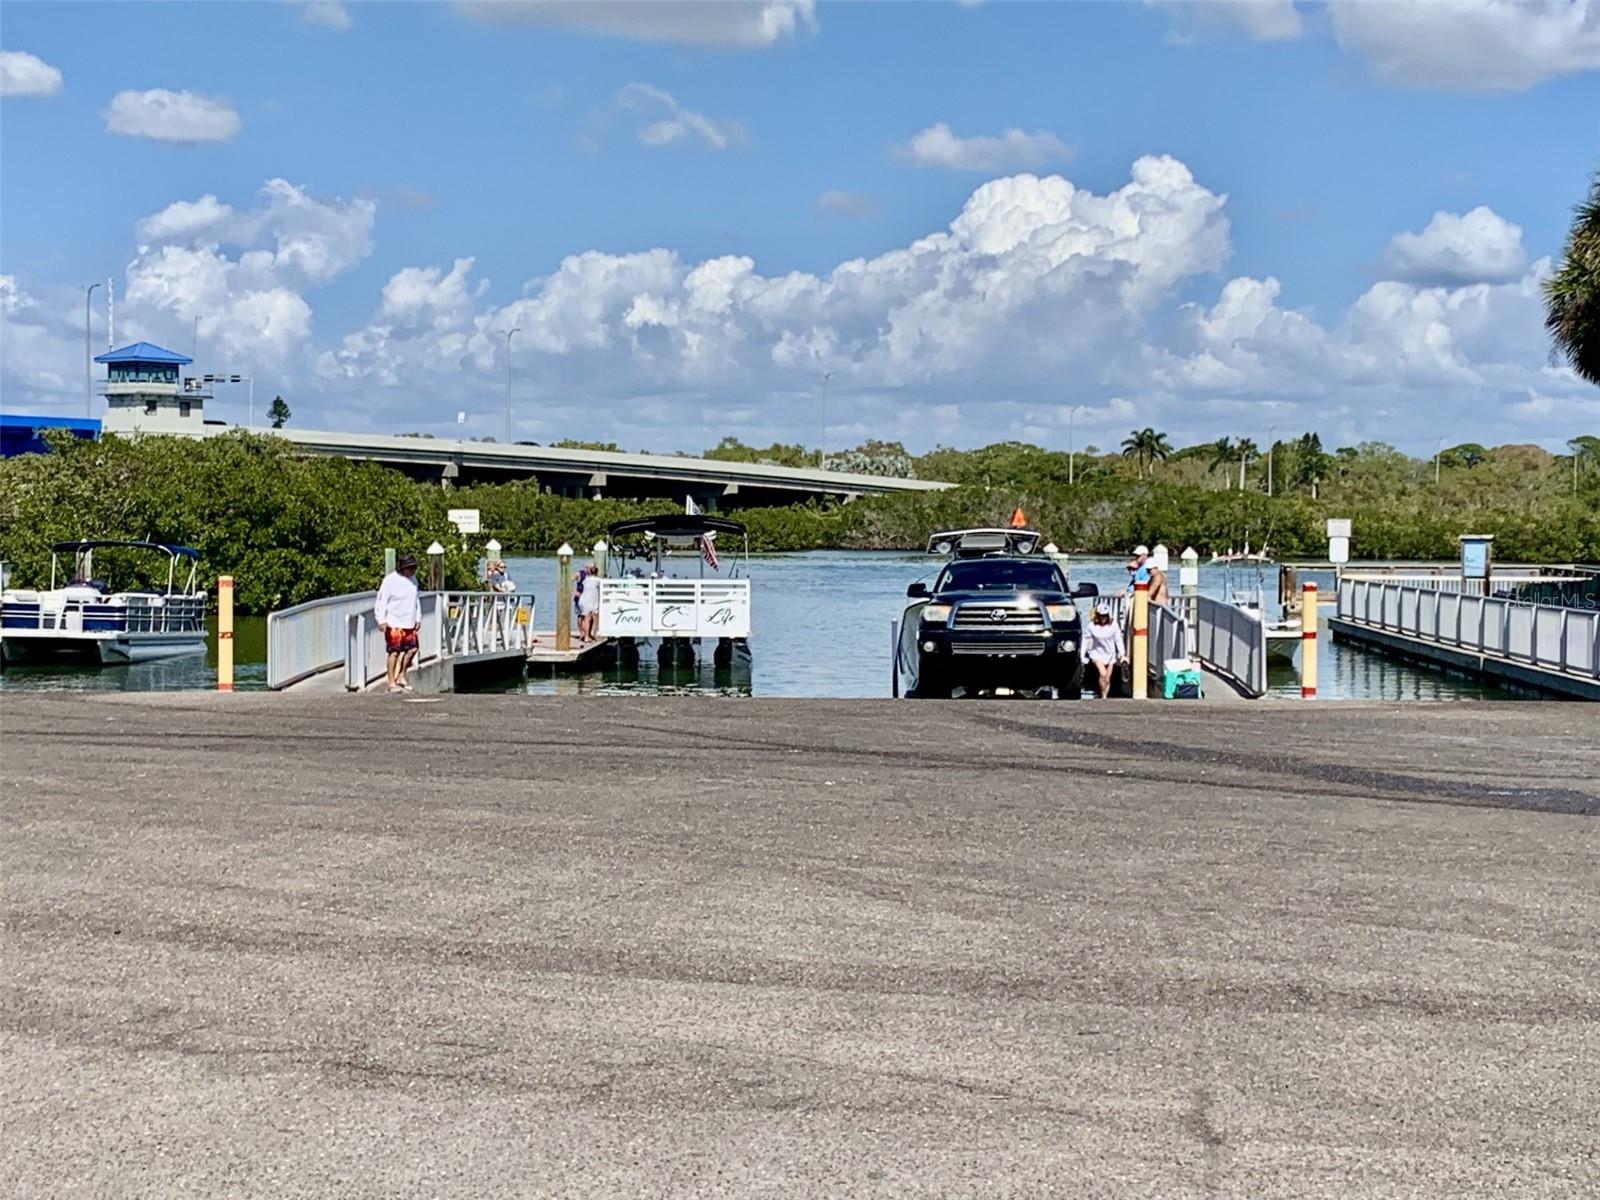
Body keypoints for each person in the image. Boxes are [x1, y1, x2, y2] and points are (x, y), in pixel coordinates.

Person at [375, 553, 422, 693]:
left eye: (414, 568)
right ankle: (391, 682)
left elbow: (416, 600)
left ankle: (402, 675)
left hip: (409, 621)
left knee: (412, 650)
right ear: (402, 568)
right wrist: (381, 620)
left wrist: (417, 618)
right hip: (393, 622)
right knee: (394, 652)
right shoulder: (390, 580)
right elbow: (381, 601)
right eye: (410, 568)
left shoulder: (413, 580)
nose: (413, 571)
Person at [1081, 601, 1127, 700]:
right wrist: (1082, 655)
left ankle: (1104, 695)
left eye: (1105, 616)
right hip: (1096, 653)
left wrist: (1122, 654)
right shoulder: (1091, 626)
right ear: (1097, 615)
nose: (1103, 618)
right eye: (1101, 616)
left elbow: (1118, 640)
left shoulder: (1113, 625)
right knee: (1103, 674)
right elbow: (1085, 640)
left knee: (1107, 678)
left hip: (1110, 655)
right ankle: (1103, 696)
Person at [577, 560, 601, 642]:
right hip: (589, 601)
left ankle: (586, 634)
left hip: (584, 600)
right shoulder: (597, 580)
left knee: (587, 618)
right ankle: (587, 636)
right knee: (588, 618)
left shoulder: (586, 580)